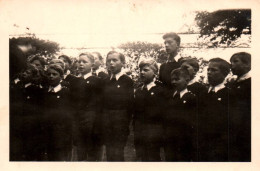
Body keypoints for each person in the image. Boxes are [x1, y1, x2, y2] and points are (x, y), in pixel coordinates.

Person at [102, 51, 134, 161]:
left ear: (123, 63)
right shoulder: (105, 81)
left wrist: (124, 123)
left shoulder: (127, 81)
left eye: (115, 60)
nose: (111, 63)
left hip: (120, 123)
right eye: (109, 60)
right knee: (109, 152)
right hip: (106, 122)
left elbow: (129, 105)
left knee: (118, 153)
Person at [198, 58, 230, 161]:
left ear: (224, 73)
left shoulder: (229, 94)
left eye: (214, 70)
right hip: (201, 143)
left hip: (219, 145)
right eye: (208, 70)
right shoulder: (203, 93)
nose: (209, 73)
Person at [10, 64, 44, 161]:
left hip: (30, 126)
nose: (24, 74)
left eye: (27, 72)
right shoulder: (15, 88)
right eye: (23, 72)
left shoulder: (36, 90)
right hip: (16, 124)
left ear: (33, 76)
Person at [133, 59, 164, 161]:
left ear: (155, 72)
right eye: (141, 70)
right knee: (143, 158)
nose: (142, 72)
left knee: (153, 157)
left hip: (154, 131)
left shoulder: (160, 90)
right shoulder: (139, 90)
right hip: (140, 130)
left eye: (146, 70)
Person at [164, 68, 197, 161]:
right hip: (170, 137)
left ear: (187, 80)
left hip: (184, 138)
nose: (174, 82)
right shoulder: (170, 96)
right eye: (172, 79)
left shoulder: (191, 97)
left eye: (177, 79)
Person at [42, 64, 73, 161]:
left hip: (61, 136)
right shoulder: (43, 93)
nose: (51, 76)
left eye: (54, 74)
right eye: (49, 74)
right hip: (45, 134)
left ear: (61, 76)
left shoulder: (67, 93)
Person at [75, 53, 102, 161]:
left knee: (92, 157)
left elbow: (100, 105)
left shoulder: (98, 81)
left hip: (92, 124)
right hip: (78, 124)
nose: (81, 64)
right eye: (79, 61)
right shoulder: (75, 82)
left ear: (92, 64)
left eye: (84, 62)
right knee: (80, 156)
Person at [229, 52, 251, 161]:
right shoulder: (233, 83)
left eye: (235, 61)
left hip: (245, 127)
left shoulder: (251, 83)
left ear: (248, 64)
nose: (231, 65)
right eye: (231, 62)